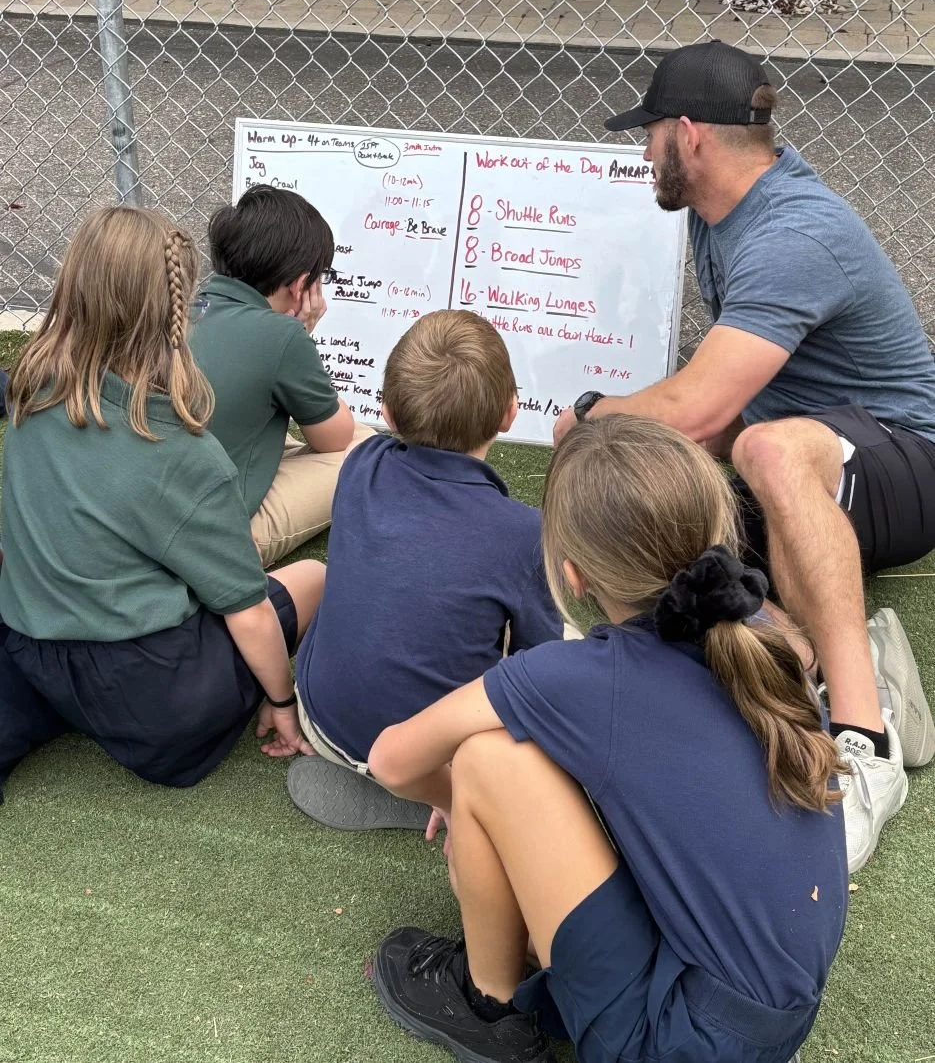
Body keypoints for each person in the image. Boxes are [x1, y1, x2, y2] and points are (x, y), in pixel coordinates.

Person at [554, 39, 935, 873]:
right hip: (797, 455)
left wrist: (584, 417)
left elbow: (699, 411)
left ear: (688, 134)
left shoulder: (795, 231)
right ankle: (849, 657)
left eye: (649, 132)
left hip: (904, 458)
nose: (642, 152)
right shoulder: (716, 213)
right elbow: (710, 411)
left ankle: (864, 740)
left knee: (762, 446)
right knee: (675, 558)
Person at [366, 415, 845, 1063]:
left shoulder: (587, 677)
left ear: (574, 575)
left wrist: (457, 804)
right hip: (769, 1020)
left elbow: (392, 759)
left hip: (677, 1044)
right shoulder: (763, 634)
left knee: (485, 759)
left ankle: (490, 1008)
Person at [0, 208, 324, 803]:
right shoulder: (184, 453)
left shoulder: (28, 389)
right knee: (312, 578)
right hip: (153, 701)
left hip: (29, 647)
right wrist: (280, 700)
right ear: (176, 313)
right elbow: (247, 612)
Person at [287, 309, 562, 829]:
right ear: (510, 412)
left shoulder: (361, 462)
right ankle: (440, 796)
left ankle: (386, 776)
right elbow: (537, 669)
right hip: (442, 760)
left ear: (387, 412)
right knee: (566, 650)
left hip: (318, 717)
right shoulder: (526, 534)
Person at [190, 185, 371, 568]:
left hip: (154, 500)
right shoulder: (282, 335)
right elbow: (335, 438)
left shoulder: (185, 307)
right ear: (301, 284)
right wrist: (301, 335)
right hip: (212, 535)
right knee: (364, 449)